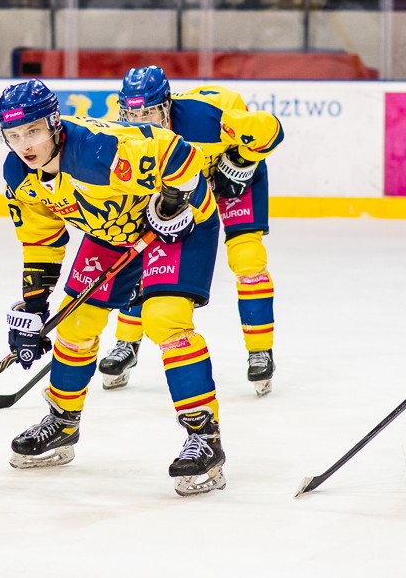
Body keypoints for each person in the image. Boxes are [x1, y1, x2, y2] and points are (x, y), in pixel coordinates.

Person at [0, 78, 226, 496]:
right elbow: (41, 238)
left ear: (53, 123)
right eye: (13, 135)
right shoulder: (18, 173)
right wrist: (33, 304)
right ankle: (63, 423)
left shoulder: (98, 152)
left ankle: (204, 437)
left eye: (32, 131)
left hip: (178, 225)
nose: (24, 144)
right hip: (111, 232)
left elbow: (180, 155)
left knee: (164, 320)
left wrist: (171, 203)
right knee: (74, 323)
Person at [98, 66, 284, 396]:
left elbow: (270, 131)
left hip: (234, 179)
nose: (140, 121)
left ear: (167, 106)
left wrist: (240, 161)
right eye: (131, 114)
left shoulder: (205, 117)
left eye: (148, 112)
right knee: (142, 254)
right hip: (183, 188)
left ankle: (260, 351)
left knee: (247, 258)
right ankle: (126, 344)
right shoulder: (127, 138)